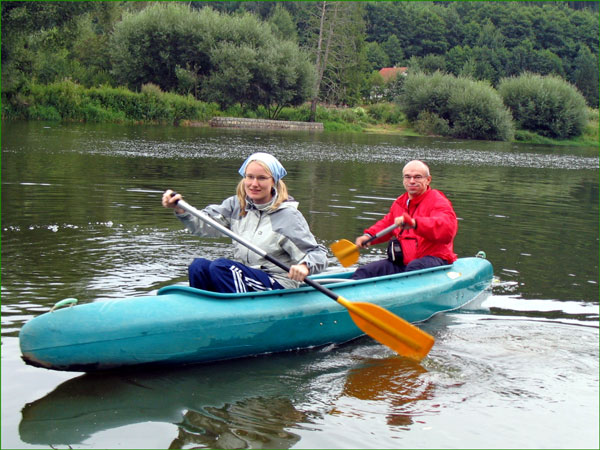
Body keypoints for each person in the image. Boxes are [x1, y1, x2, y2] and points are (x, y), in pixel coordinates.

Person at [162, 152, 328, 293]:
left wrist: (305, 266)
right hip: (244, 274)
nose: (254, 184)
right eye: (250, 177)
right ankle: (205, 310)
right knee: (198, 267)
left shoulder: (288, 216)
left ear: (273, 181)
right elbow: (204, 225)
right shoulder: (236, 205)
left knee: (220, 267)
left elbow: (317, 254)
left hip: (277, 283)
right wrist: (180, 209)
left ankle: (236, 310)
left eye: (261, 178)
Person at [351, 160, 457, 280]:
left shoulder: (438, 201)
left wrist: (415, 224)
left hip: (434, 260)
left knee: (414, 268)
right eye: (407, 177)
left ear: (428, 180)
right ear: (403, 180)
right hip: (404, 263)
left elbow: (447, 230)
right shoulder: (400, 203)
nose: (412, 181)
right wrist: (369, 236)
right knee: (365, 271)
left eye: (417, 177)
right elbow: (387, 223)